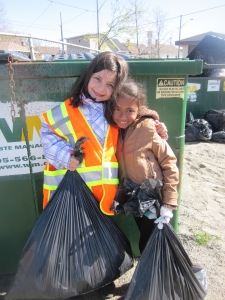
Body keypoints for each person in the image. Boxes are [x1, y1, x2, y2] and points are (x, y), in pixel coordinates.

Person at [40, 52, 167, 299]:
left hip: (103, 194)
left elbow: (137, 113)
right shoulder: (64, 111)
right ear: (88, 75)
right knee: (72, 242)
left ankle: (97, 282)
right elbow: (47, 137)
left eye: (110, 84)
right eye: (97, 79)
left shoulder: (113, 110)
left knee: (92, 243)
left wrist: (157, 124)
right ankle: (73, 286)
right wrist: (66, 157)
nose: (101, 88)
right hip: (72, 193)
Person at [109, 77, 179, 254]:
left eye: (129, 110)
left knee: (150, 244)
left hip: (152, 196)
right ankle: (151, 276)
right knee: (147, 240)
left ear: (139, 109)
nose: (123, 116)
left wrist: (169, 203)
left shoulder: (148, 129)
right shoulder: (113, 130)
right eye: (117, 109)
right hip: (134, 196)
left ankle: (156, 277)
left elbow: (169, 163)